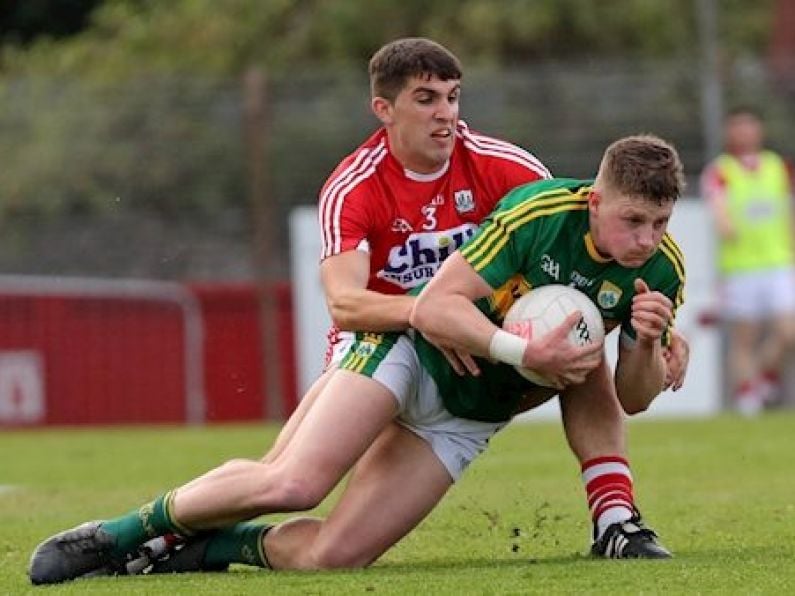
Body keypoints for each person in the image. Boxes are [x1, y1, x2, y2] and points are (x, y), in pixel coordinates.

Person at [28, 39, 688, 583]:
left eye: (453, 98)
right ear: (384, 108)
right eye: (425, 99)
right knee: (290, 483)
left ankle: (208, 548)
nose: (445, 115)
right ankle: (119, 535)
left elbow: (572, 281)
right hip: (386, 347)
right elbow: (345, 302)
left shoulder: (510, 171)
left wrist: (655, 342)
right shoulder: (356, 185)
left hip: (474, 395)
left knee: (336, 556)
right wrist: (443, 319)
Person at [700, 107, 795, 416]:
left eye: (749, 127)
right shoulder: (721, 170)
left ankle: (765, 376)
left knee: (787, 331)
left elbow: (785, 209)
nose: (745, 134)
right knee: (745, 336)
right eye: (738, 128)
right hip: (741, 267)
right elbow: (718, 208)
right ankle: (746, 396)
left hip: (778, 261)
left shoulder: (776, 166)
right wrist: (725, 222)